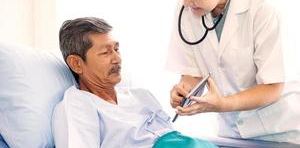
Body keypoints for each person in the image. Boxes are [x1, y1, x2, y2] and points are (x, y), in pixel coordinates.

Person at [167, 0, 300, 144]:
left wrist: (223, 104)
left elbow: (273, 86)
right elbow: (192, 72)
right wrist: (184, 91)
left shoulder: (263, 8)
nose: (186, 2)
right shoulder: (186, 10)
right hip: (232, 133)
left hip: (280, 129)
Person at [52, 17, 216, 148]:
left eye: (117, 49)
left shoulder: (140, 95)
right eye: (105, 52)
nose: (117, 59)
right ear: (76, 63)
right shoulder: (78, 103)